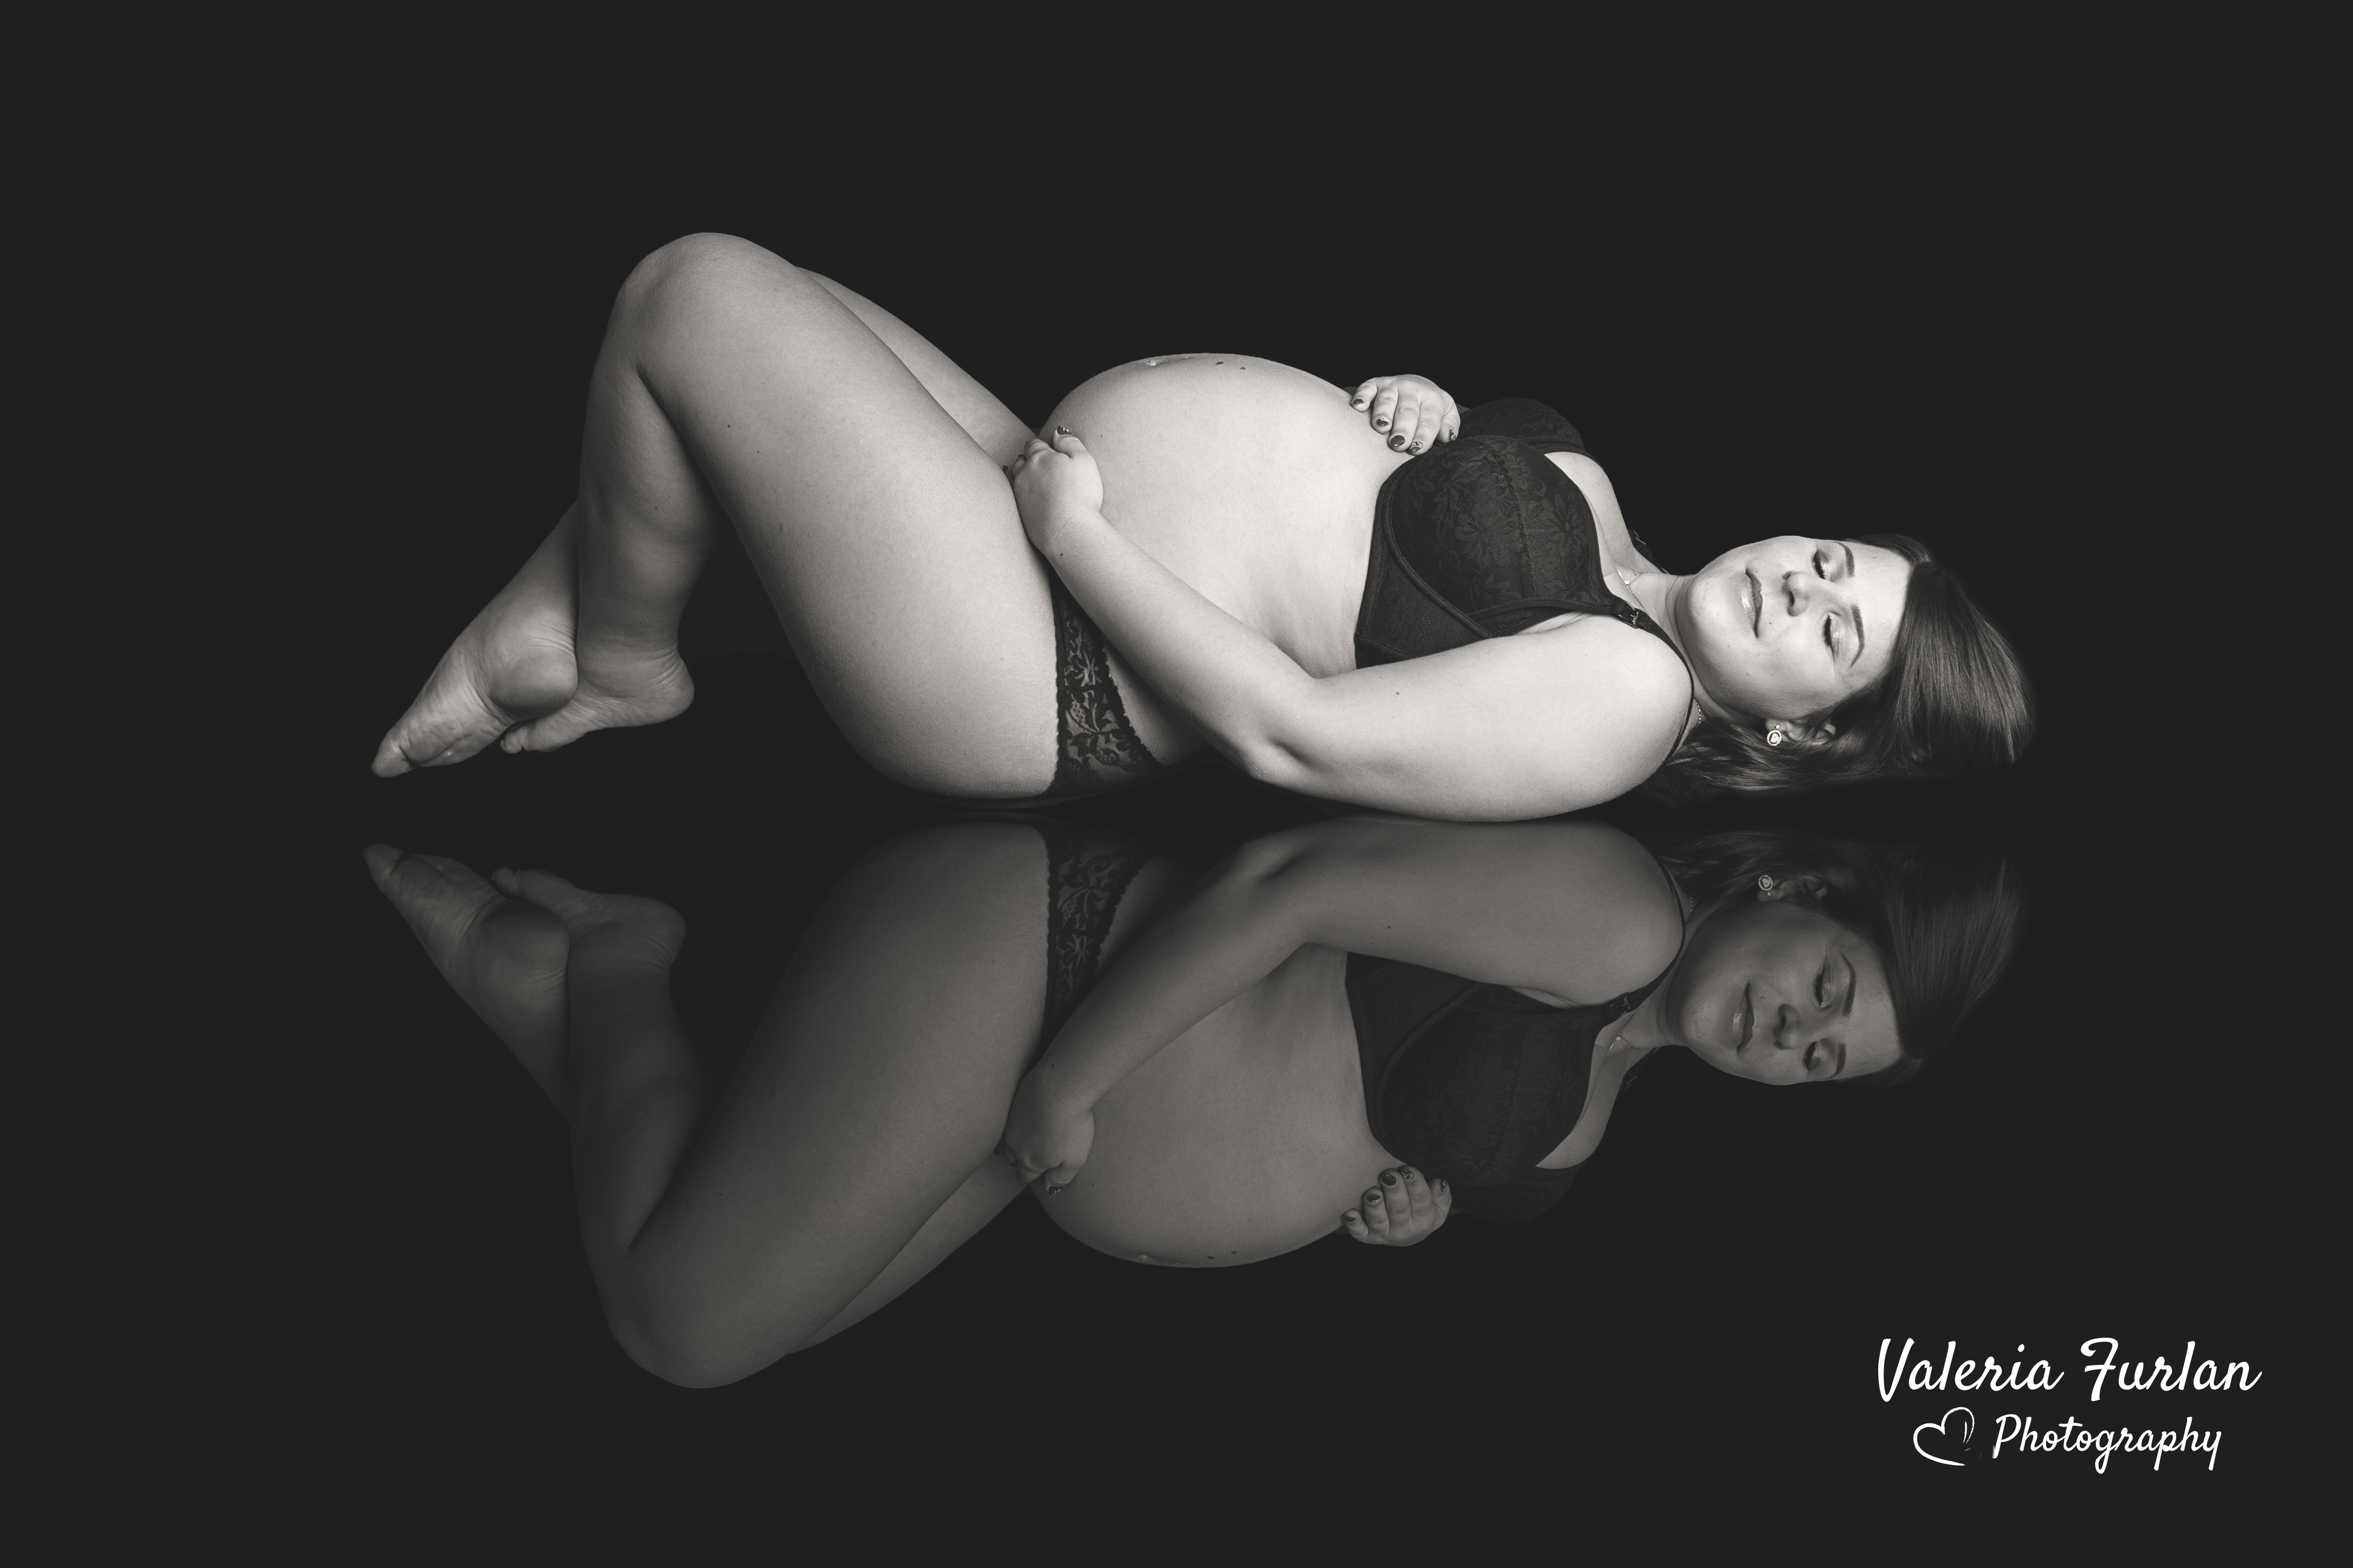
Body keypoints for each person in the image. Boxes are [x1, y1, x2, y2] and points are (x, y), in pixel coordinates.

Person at [369, 233, 2032, 820]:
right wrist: (1419, 411)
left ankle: (621, 652)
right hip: (1046, 513)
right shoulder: (1608, 528)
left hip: (1047, 655)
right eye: (1833, 561)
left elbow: (1294, 731)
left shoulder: (1632, 694)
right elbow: (1395, 534)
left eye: (1836, 631)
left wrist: (1076, 537)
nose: (1800, 584)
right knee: (785, 309)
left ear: (1804, 734)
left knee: (695, 295)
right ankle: (571, 632)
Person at [363, 811, 2023, 1386]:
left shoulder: (1598, 1108)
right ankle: (618, 967)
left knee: (758, 1303)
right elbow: (1288, 884)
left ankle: (572, 979)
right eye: (1825, 985)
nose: (1789, 1031)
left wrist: (1403, 1208)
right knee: (684, 1323)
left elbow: (1365, 1079)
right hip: (1043, 977)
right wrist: (1068, 1077)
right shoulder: (1621, 912)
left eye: (1821, 1056)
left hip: (1046, 1121)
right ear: (1793, 890)